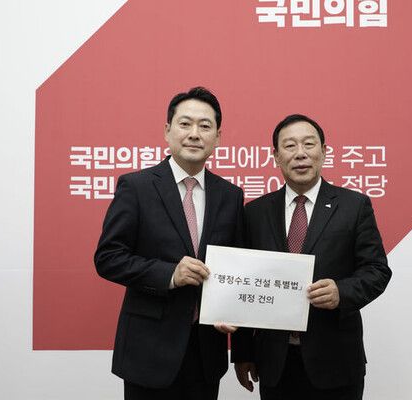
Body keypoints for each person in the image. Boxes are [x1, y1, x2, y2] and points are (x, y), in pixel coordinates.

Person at [94, 87, 244, 400]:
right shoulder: (136, 187)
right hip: (148, 352)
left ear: (218, 137)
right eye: (185, 124)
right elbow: (108, 257)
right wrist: (170, 275)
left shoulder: (230, 195)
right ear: (167, 131)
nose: (194, 134)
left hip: (206, 353)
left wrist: (233, 310)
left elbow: (237, 266)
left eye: (205, 126)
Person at [231, 114, 391, 400]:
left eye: (308, 144)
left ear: (324, 151)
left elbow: (377, 270)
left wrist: (341, 292)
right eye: (290, 145)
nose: (300, 153)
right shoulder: (255, 212)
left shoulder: (354, 206)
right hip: (275, 362)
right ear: (276, 156)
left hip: (336, 360)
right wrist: (243, 352)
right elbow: (245, 282)